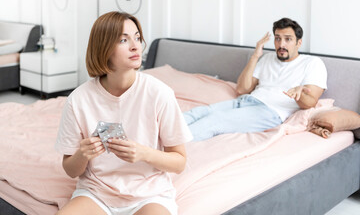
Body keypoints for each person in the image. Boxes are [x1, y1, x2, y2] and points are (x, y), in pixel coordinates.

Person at [55, 11, 192, 215]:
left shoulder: (159, 93)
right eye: (123, 40)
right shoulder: (79, 99)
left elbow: (179, 163)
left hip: (150, 195)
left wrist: (143, 153)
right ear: (103, 47)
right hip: (96, 193)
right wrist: (82, 155)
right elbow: (71, 170)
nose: (136, 46)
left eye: (137, 37)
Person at [184, 17, 327, 141]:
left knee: (214, 121)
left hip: (271, 112)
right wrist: (255, 56)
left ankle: (170, 151)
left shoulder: (312, 63)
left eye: (288, 39)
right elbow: (242, 89)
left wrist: (299, 94)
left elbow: (310, 102)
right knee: (199, 112)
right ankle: (162, 135)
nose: (281, 44)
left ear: (299, 43)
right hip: (246, 101)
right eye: (278, 39)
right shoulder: (268, 58)